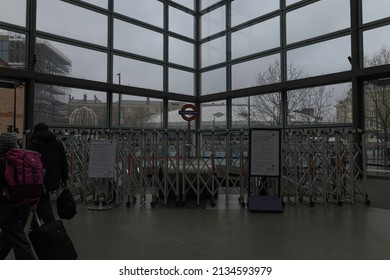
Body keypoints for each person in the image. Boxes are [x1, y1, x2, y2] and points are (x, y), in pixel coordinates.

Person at [0, 132, 36, 259]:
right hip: (24, 203)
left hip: (8, 206)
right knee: (9, 235)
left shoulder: (3, 160)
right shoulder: (25, 158)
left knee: (18, 239)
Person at [28, 123, 68, 227]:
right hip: (55, 178)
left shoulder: (34, 143)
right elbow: (64, 162)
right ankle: (34, 225)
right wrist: (65, 178)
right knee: (43, 198)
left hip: (40, 179)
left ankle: (53, 225)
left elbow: (30, 164)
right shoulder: (58, 143)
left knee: (43, 200)